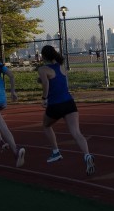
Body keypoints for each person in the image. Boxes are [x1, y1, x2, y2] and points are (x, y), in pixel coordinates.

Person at [37, 45, 95, 175]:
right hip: (69, 102)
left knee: (46, 125)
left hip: (55, 104)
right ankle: (87, 155)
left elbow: (46, 84)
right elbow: (57, 81)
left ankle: (56, 152)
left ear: (43, 56)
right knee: (76, 132)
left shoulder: (42, 69)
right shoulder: (61, 67)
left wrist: (44, 98)